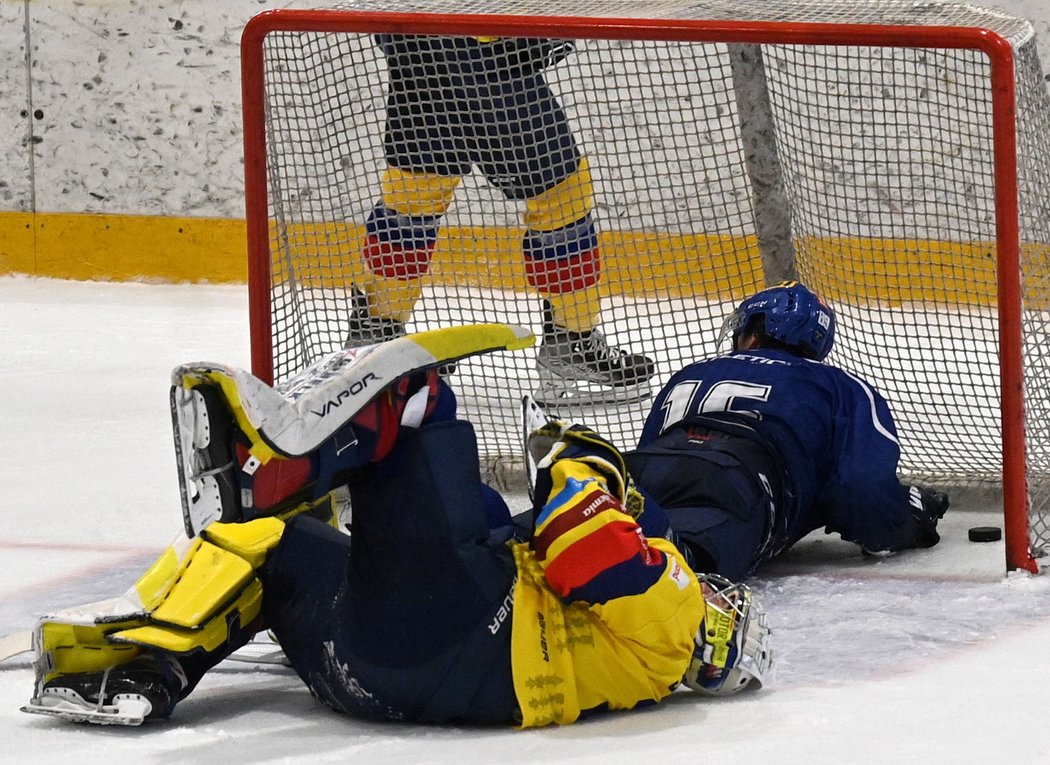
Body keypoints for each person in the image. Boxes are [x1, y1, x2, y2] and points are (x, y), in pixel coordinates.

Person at [21, 324, 771, 728]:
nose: (717, 596)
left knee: (418, 399)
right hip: (363, 675)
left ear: (715, 639)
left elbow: (579, 538)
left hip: (454, 639)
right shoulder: (631, 661)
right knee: (278, 548)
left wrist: (589, 461)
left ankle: (274, 468)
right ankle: (146, 670)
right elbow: (533, 545)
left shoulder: (671, 627)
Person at [347, 33, 655, 402]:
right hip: (486, 51)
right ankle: (572, 343)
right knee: (562, 196)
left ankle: (374, 344)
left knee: (417, 187)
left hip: (417, 38)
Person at [620, 281, 950, 582]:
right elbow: (862, 493)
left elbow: (649, 448)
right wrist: (908, 519)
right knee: (675, 576)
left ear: (751, 335)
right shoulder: (839, 386)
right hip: (735, 486)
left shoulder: (690, 372)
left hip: (641, 470)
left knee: (603, 549)